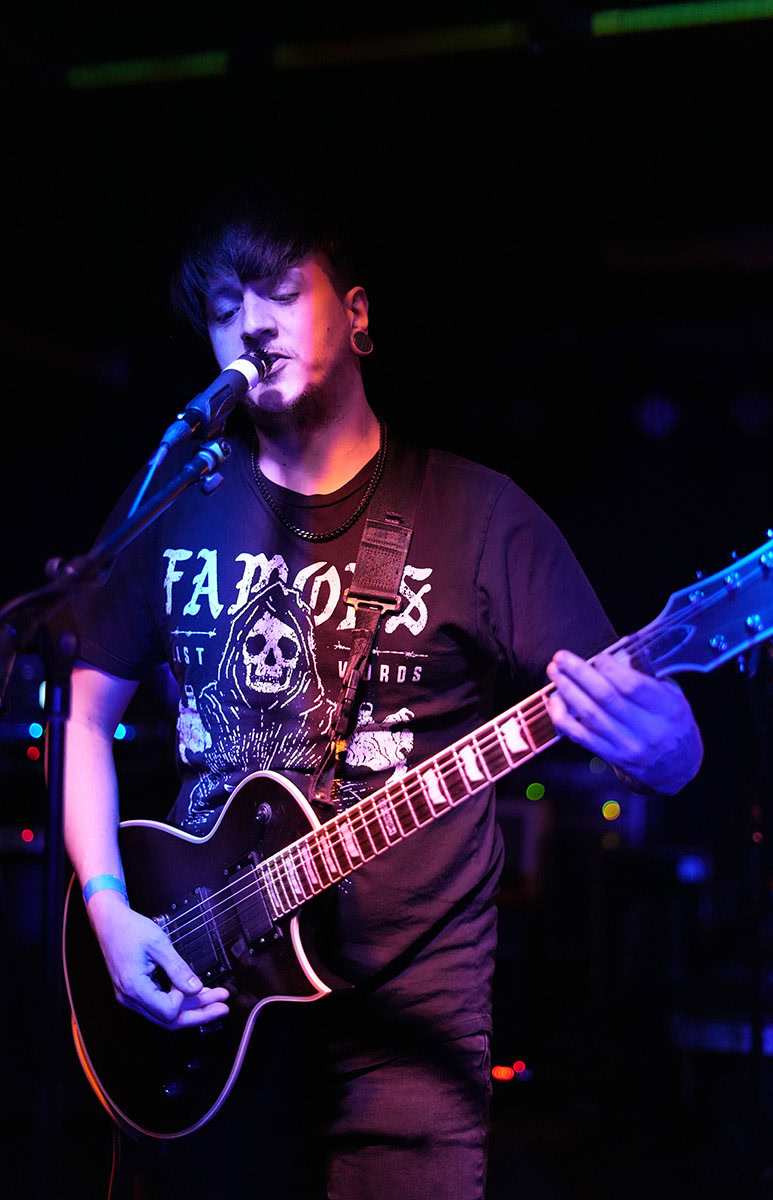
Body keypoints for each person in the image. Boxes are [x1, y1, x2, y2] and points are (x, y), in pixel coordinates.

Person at [63, 189, 703, 1199]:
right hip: (208, 993)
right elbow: (85, 718)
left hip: (411, 1032)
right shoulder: (177, 506)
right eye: (226, 307)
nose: (252, 324)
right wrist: (107, 907)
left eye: (280, 292)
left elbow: (656, 739)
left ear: (356, 316)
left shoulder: (479, 516)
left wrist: (669, 747)